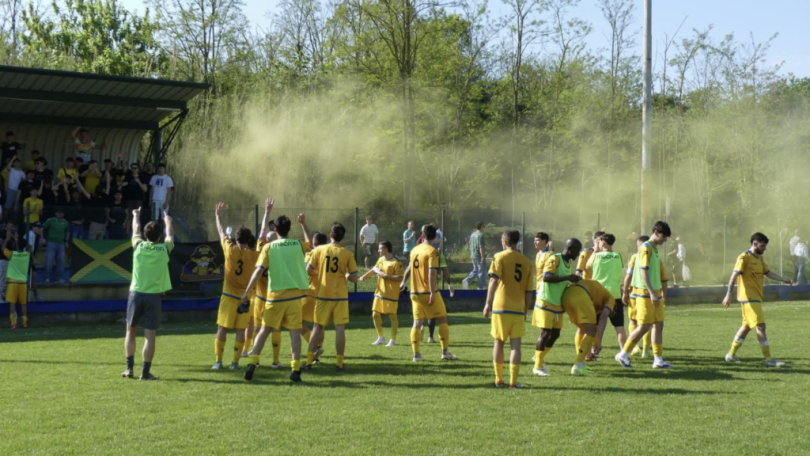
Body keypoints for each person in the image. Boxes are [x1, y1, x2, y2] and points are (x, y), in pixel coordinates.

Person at [240, 203, 310, 383]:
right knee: (295, 332)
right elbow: (311, 245)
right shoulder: (297, 244)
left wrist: (247, 292)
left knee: (264, 330)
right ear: (289, 229)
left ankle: (253, 362)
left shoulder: (268, 247)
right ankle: (295, 369)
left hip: (274, 296)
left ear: (276, 229)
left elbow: (257, 271)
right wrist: (303, 224)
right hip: (294, 297)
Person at [722, 232, 792, 367]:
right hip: (749, 298)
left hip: (755, 298)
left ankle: (730, 355)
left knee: (746, 327)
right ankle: (769, 359)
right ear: (754, 244)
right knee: (761, 326)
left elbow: (768, 272)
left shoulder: (759, 258)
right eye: (762, 246)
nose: (764, 248)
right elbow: (733, 276)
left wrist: (783, 279)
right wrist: (728, 294)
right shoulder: (744, 257)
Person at [122, 207, 173, 380]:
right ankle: (145, 373)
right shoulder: (165, 249)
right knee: (150, 336)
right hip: (154, 296)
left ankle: (129, 369)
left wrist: (135, 214)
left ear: (145, 235)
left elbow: (135, 228)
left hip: (136, 293)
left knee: (130, 332)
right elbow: (171, 235)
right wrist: (168, 219)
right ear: (159, 236)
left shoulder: (138, 246)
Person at [614, 221, 672, 369]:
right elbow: (643, 272)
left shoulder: (654, 249)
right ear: (656, 233)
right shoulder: (646, 248)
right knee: (644, 326)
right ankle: (623, 354)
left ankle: (658, 359)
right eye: (664, 237)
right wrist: (652, 293)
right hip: (645, 293)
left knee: (658, 325)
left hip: (655, 293)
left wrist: (658, 293)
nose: (665, 240)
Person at [210, 203, 260, 370]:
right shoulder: (254, 255)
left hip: (228, 297)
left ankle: (218, 362)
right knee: (240, 331)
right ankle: (235, 363)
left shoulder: (230, 250)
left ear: (236, 239)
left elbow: (222, 232)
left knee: (222, 328)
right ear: (249, 239)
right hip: (244, 299)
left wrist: (218, 216)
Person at [483, 230, 534, 388]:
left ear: (504, 241)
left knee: (498, 342)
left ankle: (499, 379)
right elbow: (529, 291)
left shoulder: (499, 257)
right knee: (516, 345)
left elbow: (493, 282)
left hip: (501, 307)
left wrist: (487, 304)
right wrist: (525, 309)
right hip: (518, 308)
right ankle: (513, 381)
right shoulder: (526, 262)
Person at [305, 222, 358, 371]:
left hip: (323, 295)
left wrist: (321, 272)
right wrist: (345, 274)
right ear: (342, 237)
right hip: (340, 296)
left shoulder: (320, 249)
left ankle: (309, 362)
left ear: (331, 235)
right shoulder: (347, 253)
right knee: (340, 329)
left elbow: (308, 270)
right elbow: (354, 277)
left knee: (317, 327)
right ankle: (339, 364)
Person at [402, 224, 457, 362]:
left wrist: (403, 282)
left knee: (417, 323)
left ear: (423, 235)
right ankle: (445, 353)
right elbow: (432, 273)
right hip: (428, 291)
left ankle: (416, 355)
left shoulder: (414, 250)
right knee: (443, 319)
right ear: (435, 236)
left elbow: (408, 268)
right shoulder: (433, 251)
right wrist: (432, 292)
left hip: (414, 292)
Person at [532, 238, 582, 377]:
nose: (578, 255)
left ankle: (539, 358)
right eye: (577, 251)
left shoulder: (568, 263)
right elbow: (547, 277)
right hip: (546, 301)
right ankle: (537, 367)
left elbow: (563, 282)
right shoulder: (555, 259)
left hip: (557, 304)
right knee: (545, 333)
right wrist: (568, 277)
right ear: (570, 249)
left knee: (555, 333)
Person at [587, 233, 627, 358]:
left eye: (598, 242)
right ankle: (624, 353)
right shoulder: (619, 256)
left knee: (594, 324)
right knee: (619, 326)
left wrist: (595, 250)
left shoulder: (596, 256)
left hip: (598, 295)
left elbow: (587, 266)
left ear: (602, 243)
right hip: (614, 295)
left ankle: (594, 349)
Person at [561, 278, 613, 375]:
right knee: (591, 330)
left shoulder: (598, 292)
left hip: (567, 295)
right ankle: (579, 364)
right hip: (581, 294)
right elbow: (604, 316)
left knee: (582, 329)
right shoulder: (611, 299)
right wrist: (599, 341)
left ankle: (581, 361)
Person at [360, 240, 403, 347]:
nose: (378, 250)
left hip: (391, 294)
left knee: (392, 316)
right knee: (375, 314)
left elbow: (400, 278)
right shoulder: (380, 259)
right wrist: (364, 276)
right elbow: (374, 270)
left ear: (386, 249)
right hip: (380, 292)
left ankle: (392, 340)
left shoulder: (396, 262)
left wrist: (386, 276)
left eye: (380, 248)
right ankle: (380, 337)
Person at [622, 235, 652, 357]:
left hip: (635, 293)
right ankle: (646, 350)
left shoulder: (635, 256)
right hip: (648, 293)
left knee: (633, 320)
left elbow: (628, 275)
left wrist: (624, 291)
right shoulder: (655, 256)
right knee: (646, 322)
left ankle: (635, 347)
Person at [4, 227, 31, 329]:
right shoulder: (27, 254)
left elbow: (3, 249)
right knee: (23, 304)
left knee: (12, 304)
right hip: (23, 283)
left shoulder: (12, 254)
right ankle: (24, 322)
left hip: (12, 282)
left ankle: (13, 324)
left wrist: (8, 239)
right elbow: (28, 248)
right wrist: (17, 241)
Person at [42, 209, 70, 284]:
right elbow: (42, 228)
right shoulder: (50, 220)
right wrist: (42, 238)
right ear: (55, 213)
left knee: (61, 262)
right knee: (49, 261)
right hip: (51, 243)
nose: (60, 214)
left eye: (61, 213)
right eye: (58, 212)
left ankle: (59, 278)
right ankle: (47, 278)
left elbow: (67, 231)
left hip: (61, 244)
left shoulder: (65, 222)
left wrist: (66, 241)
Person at [462, 222, 487, 290]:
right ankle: (480, 287)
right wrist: (482, 257)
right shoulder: (481, 235)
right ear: (481, 227)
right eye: (484, 226)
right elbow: (481, 246)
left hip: (473, 255)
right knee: (482, 271)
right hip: (479, 255)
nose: (484, 228)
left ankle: (466, 281)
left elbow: (470, 244)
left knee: (476, 270)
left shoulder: (473, 234)